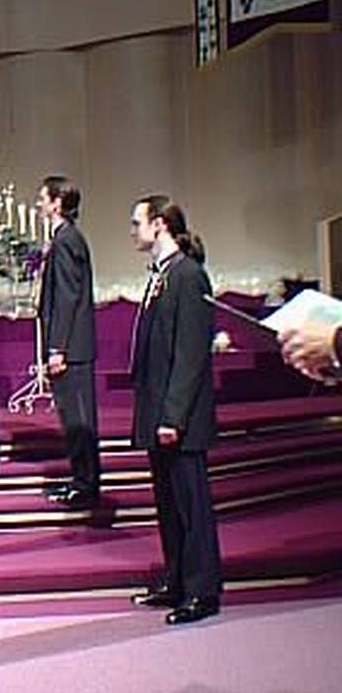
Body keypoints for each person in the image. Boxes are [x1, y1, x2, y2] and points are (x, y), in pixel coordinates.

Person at [129, 195, 222, 625]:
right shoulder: (163, 274)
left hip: (178, 416)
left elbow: (190, 354)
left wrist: (173, 416)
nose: (133, 231)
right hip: (159, 410)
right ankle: (177, 579)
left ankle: (202, 590)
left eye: (137, 222)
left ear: (160, 224)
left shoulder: (187, 275)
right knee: (168, 504)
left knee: (190, 505)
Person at [38, 175, 100, 509]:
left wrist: (57, 347)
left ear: (57, 203)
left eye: (43, 198)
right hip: (72, 347)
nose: (39, 203)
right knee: (73, 418)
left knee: (78, 420)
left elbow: (66, 296)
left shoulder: (65, 240)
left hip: (72, 349)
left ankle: (85, 484)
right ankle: (81, 479)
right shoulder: (66, 238)